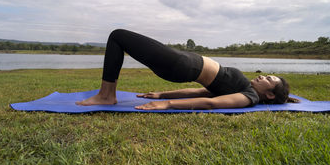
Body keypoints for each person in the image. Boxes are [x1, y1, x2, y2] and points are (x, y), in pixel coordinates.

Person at [75, 29, 298, 110]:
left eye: (269, 78)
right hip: (181, 63)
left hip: (180, 65)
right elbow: (202, 92)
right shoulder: (245, 88)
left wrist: (168, 104)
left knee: (118, 36)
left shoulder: (249, 96)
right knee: (119, 38)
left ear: (269, 93)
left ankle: (106, 95)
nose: (263, 75)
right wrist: (162, 93)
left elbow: (211, 103)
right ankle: (106, 94)